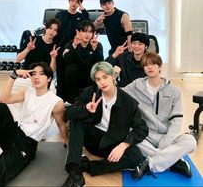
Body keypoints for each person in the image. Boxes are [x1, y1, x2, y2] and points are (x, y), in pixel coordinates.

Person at [0, 62, 67, 187]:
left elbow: (61, 125)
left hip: (27, 144)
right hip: (15, 133)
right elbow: (3, 99)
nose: (36, 77)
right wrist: (13, 76)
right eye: (33, 74)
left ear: (49, 78)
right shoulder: (28, 92)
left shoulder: (56, 102)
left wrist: (69, 145)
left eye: (41, 74)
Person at [62, 61, 148, 187]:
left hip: (113, 143)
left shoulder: (128, 102)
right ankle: (75, 173)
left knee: (136, 157)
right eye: (98, 79)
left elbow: (142, 128)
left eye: (105, 77)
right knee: (76, 120)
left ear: (113, 76)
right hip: (92, 139)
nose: (102, 82)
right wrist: (85, 109)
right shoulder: (91, 93)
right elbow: (67, 113)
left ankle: (86, 165)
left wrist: (123, 145)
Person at [123, 52, 196, 180]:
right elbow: (118, 93)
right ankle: (175, 162)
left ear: (160, 67)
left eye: (153, 64)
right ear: (143, 68)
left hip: (167, 134)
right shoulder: (136, 85)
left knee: (190, 141)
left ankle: (150, 164)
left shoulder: (174, 91)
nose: (149, 67)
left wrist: (167, 140)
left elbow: (177, 119)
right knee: (129, 136)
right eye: (146, 65)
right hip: (146, 134)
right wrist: (113, 75)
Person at [55, 0, 90, 100]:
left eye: (77, 2)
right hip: (61, 48)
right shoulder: (60, 15)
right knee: (60, 74)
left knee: (70, 72)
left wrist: (82, 9)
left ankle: (72, 98)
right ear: (69, 1)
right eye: (72, 1)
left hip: (73, 47)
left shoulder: (80, 16)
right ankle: (60, 97)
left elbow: (87, 21)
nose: (74, 3)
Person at [63, 20, 104, 103]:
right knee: (70, 68)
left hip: (90, 76)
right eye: (84, 31)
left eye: (90, 32)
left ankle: (95, 96)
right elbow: (67, 60)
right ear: (78, 32)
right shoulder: (70, 44)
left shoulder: (97, 45)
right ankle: (71, 99)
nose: (87, 34)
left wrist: (94, 49)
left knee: (97, 68)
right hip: (76, 77)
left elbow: (100, 63)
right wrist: (74, 46)